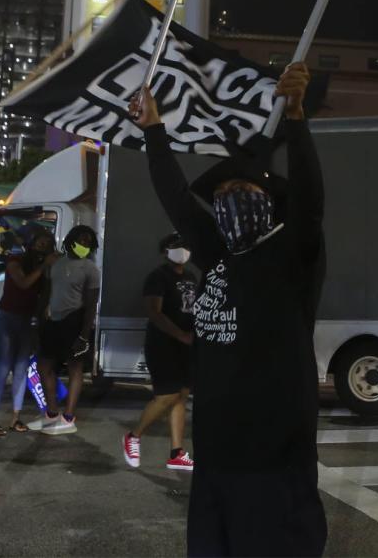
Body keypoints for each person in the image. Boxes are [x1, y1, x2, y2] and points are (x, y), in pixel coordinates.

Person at [131, 61, 328, 557]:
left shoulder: (292, 256)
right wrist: (154, 128)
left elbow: (309, 201)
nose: (229, 201)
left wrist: (297, 118)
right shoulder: (217, 254)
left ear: (269, 205)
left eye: (243, 192)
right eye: (221, 196)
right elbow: (176, 199)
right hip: (217, 456)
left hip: (275, 460)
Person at [123, 233, 200, 471]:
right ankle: (133, 437)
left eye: (185, 245)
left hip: (186, 345)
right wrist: (181, 335)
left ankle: (177, 453)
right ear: (164, 251)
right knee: (166, 395)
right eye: (176, 247)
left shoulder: (190, 276)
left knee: (181, 396)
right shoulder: (157, 277)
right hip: (163, 345)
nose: (182, 251)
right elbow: (155, 313)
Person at [0, 226, 53, 436]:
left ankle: (16, 418)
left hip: (26, 321)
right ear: (31, 243)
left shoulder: (43, 268)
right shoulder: (15, 261)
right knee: (3, 369)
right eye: (40, 243)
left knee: (21, 371)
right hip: (7, 318)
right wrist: (43, 268)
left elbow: (44, 295)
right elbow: (23, 283)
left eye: (47, 245)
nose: (43, 247)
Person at [36, 225, 100, 436]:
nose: (84, 244)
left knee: (75, 368)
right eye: (81, 240)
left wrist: (84, 334)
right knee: (44, 366)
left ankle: (69, 417)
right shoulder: (55, 263)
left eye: (88, 242)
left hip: (75, 321)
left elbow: (91, 305)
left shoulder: (90, 268)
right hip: (52, 322)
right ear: (71, 239)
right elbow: (46, 292)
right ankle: (51, 413)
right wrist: (41, 320)